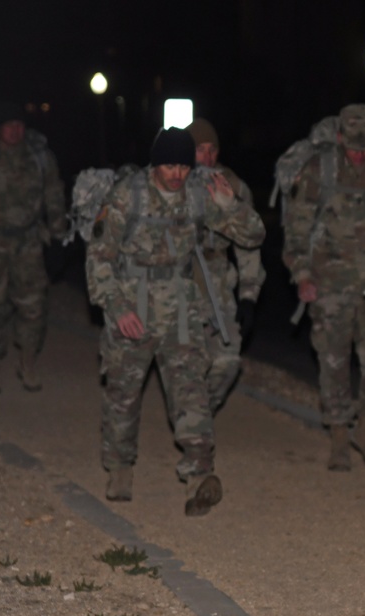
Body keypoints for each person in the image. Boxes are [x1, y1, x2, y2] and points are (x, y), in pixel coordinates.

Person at [85, 127, 265, 516]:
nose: (177, 174)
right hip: (133, 305)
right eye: (169, 165)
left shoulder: (200, 194)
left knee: (191, 393)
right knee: (123, 394)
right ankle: (119, 468)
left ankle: (199, 477)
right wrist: (117, 308)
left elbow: (253, 236)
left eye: (183, 166)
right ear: (155, 163)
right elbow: (99, 257)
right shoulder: (127, 195)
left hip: (182, 309)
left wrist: (231, 205)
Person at [280, 103, 365, 471]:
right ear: (340, 136)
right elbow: (297, 226)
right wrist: (302, 275)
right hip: (330, 282)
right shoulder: (319, 168)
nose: (359, 152)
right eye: (353, 145)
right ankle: (339, 435)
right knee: (333, 360)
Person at [0, 101, 66, 393]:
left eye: (19, 125)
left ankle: (27, 361)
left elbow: (53, 195)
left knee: (33, 306)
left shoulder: (39, 156)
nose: (14, 131)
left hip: (28, 241)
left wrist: (58, 237)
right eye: (9, 125)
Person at [186, 118, 265, 412]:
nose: (207, 158)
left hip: (218, 284)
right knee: (186, 364)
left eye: (212, 150)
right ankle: (191, 420)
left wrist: (248, 295)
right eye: (199, 150)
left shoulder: (231, 185)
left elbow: (249, 244)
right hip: (179, 285)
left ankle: (198, 414)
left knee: (228, 359)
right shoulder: (172, 181)